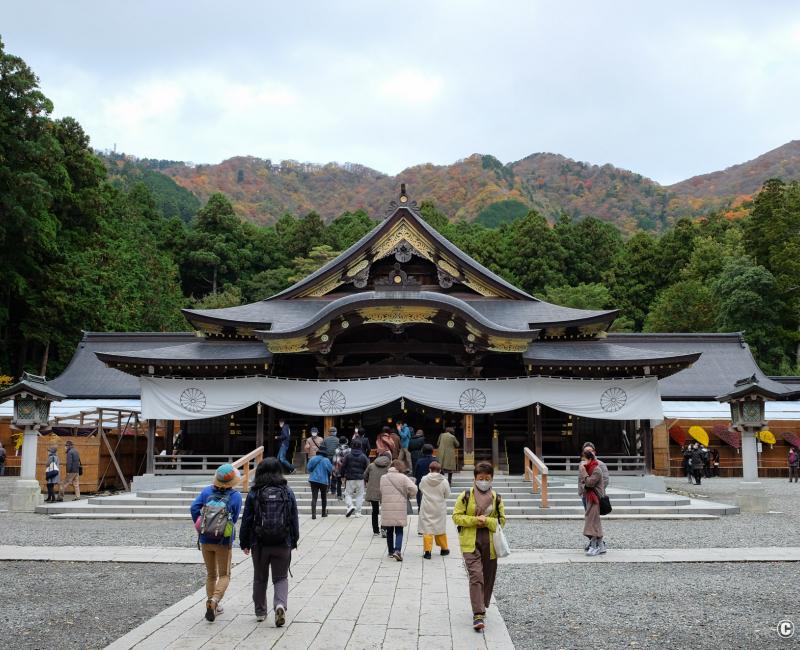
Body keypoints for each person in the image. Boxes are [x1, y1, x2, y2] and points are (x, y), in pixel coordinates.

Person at [240, 458, 299, 626]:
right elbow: (294, 517)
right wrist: (294, 539)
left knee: (260, 578)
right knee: (280, 578)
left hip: (259, 543)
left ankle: (260, 612)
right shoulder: (287, 491)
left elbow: (247, 519)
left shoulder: (254, 492)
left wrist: (244, 542)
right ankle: (279, 604)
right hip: (282, 541)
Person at [452, 461, 506, 632]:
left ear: (492, 479)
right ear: (475, 478)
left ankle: (482, 604)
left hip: (490, 543)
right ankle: (478, 614)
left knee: (488, 577)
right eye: (481, 478)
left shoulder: (497, 498)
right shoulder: (466, 495)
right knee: (476, 576)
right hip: (470, 542)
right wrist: (476, 520)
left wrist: (488, 521)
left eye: (487, 478)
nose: (484, 481)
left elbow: (502, 521)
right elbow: (456, 517)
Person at [190, 463, 243, 622]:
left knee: (211, 574)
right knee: (224, 574)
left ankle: (210, 602)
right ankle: (215, 601)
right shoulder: (235, 496)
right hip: (223, 540)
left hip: (205, 538)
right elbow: (233, 519)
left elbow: (194, 508)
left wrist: (200, 526)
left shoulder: (206, 491)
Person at [379, 459, 418, 561]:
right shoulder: (403, 477)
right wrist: (409, 495)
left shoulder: (383, 477)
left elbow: (381, 490)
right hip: (400, 506)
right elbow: (414, 488)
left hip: (387, 506)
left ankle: (390, 552)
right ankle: (398, 550)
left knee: (389, 531)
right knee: (399, 531)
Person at [419, 460, 450, 559]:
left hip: (427, 505)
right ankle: (444, 549)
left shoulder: (424, 479)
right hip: (439, 506)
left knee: (427, 528)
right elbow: (447, 494)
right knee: (440, 527)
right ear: (440, 470)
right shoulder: (444, 481)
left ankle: (427, 552)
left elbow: (421, 488)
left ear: (429, 469)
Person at [578, 449, 605, 557]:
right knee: (595, 521)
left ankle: (594, 546)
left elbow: (589, 483)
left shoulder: (596, 469)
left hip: (595, 499)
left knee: (592, 521)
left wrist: (583, 473)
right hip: (589, 498)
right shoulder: (589, 469)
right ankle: (600, 546)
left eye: (584, 459)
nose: (583, 462)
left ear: (590, 459)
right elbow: (582, 483)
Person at [364, 451, 392, 536]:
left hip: (373, 490)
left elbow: (365, 476)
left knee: (375, 510)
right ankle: (384, 528)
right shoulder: (390, 467)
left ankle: (375, 530)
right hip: (386, 490)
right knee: (386, 511)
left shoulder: (371, 465)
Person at [341, 439, 369, 517]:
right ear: (361, 446)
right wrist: (366, 479)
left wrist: (342, 476)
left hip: (350, 478)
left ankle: (350, 506)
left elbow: (343, 466)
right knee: (360, 495)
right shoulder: (364, 456)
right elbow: (367, 468)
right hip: (360, 478)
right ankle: (358, 512)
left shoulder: (348, 456)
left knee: (348, 494)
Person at [306, 448, 333, 519]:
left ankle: (313, 515)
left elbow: (308, 468)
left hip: (313, 480)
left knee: (314, 497)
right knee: (324, 497)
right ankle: (323, 513)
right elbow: (330, 470)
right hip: (323, 481)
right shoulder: (326, 460)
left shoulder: (313, 458)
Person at [413, 443, 435, 508]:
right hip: (433, 483)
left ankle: (420, 507)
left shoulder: (419, 461)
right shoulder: (435, 460)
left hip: (421, 482)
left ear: (422, 451)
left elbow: (415, 473)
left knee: (420, 498)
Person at [331, 436, 350, 500]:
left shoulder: (337, 450)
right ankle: (346, 494)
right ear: (346, 442)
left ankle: (339, 495)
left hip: (338, 468)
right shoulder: (349, 450)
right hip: (347, 468)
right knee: (347, 482)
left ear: (339, 442)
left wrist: (333, 469)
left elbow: (334, 460)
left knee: (339, 482)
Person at [322, 427, 340, 493]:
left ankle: (327, 488)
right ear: (335, 432)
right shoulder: (338, 440)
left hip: (326, 458)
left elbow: (322, 449)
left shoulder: (325, 440)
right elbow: (339, 450)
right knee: (334, 474)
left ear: (329, 432)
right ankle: (333, 489)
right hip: (335, 458)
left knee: (327, 474)